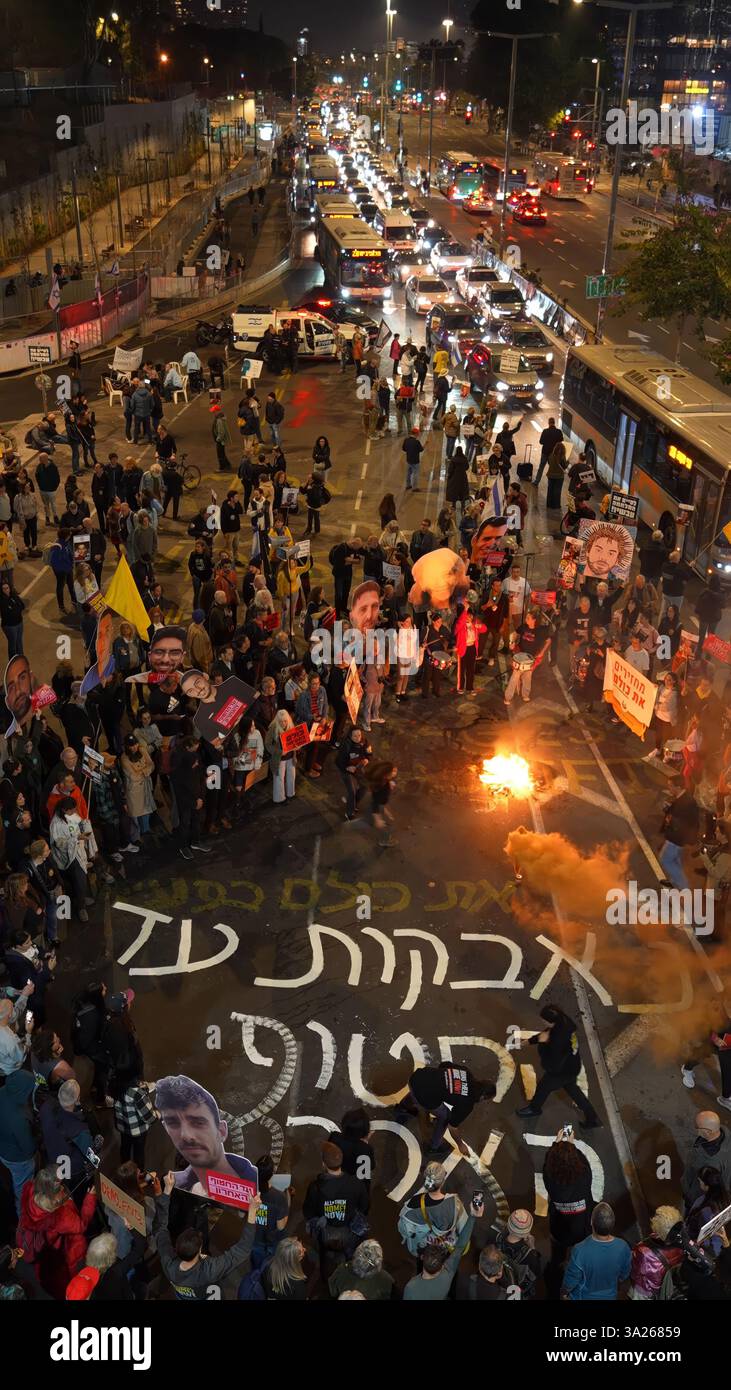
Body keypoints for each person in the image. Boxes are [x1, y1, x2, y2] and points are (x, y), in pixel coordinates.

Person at [154, 1171, 260, 1300]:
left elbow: (160, 1228)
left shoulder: (168, 1262)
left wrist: (166, 1191)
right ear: (200, 1250)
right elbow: (243, 1249)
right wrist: (253, 1211)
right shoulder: (209, 1271)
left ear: (176, 1248)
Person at [516, 1003, 601, 1129]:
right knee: (574, 1091)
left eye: (544, 1021)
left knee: (543, 1087)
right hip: (571, 1065)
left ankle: (534, 1109)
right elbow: (548, 1033)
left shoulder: (558, 1039)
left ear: (551, 1022)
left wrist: (543, 1044)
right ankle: (592, 1118)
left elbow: (551, 1064)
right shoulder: (564, 1022)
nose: (542, 1022)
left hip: (561, 1071)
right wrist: (531, 1041)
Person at [17, 1165, 97, 1300]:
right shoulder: (60, 1216)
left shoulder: (30, 1195)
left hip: (43, 1263)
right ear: (53, 1195)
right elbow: (82, 1225)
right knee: (67, 1288)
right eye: (60, 1186)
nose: (62, 1187)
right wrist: (90, 1198)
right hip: (64, 1261)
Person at [396, 1060, 496, 1156]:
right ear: (483, 1096)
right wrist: (460, 1145)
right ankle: (433, 1147)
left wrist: (444, 1083)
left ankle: (402, 1108)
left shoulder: (466, 1072)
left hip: (418, 1076)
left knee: (422, 1089)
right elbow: (452, 1127)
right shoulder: (467, 1104)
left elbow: (443, 1065)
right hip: (422, 1093)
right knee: (446, 1116)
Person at [397, 1160, 468, 1258]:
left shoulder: (414, 1203)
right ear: (442, 1181)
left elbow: (405, 1229)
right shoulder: (455, 1203)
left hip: (423, 1248)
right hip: (445, 1247)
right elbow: (464, 1226)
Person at [562, 1203, 631, 1301]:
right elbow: (624, 1274)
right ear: (613, 1223)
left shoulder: (579, 1250)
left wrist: (564, 1293)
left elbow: (571, 1280)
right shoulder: (623, 1246)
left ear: (591, 1222)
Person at [0, 1068, 37, 1214]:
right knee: (23, 1190)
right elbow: (28, 1149)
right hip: (17, 1159)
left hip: (2, 1147)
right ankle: (24, 1218)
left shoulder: (2, 1091)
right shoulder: (18, 1119)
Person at [629, 1206, 685, 1299]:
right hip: (671, 1286)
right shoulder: (682, 1244)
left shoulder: (643, 1251)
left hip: (649, 1291)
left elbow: (634, 1272)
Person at [681, 1110, 731, 1208]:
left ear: (708, 1132)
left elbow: (702, 1189)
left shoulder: (709, 1163)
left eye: (697, 1127)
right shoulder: (726, 1137)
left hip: (696, 1197)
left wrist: (689, 1195)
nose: (695, 1128)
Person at [328, 1239, 394, 1301]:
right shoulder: (386, 1279)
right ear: (379, 1263)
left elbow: (332, 1292)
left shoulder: (341, 1270)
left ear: (355, 1254)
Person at [265, 709, 297, 804]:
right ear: (277, 720)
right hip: (279, 759)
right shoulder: (273, 728)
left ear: (288, 720)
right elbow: (267, 744)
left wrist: (297, 748)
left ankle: (291, 793)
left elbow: (296, 741)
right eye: (281, 721)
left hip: (291, 757)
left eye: (285, 721)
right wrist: (279, 752)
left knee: (291, 776)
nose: (283, 723)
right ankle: (279, 798)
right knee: (279, 778)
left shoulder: (291, 726)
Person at [453, 607, 486, 696]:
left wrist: (479, 626)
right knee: (461, 669)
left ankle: (470, 687)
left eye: (470, 616)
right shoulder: (460, 624)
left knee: (471, 669)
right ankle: (460, 687)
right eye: (467, 615)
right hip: (463, 649)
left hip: (472, 648)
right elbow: (459, 624)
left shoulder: (474, 624)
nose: (469, 617)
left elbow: (484, 629)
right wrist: (465, 610)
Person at [535, 417, 563, 486]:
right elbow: (561, 441)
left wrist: (547, 442)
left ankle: (536, 482)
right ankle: (550, 483)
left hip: (545, 452)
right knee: (552, 469)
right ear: (554, 423)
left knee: (541, 468)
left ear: (549, 423)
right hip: (553, 454)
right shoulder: (558, 432)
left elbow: (541, 442)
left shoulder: (545, 431)